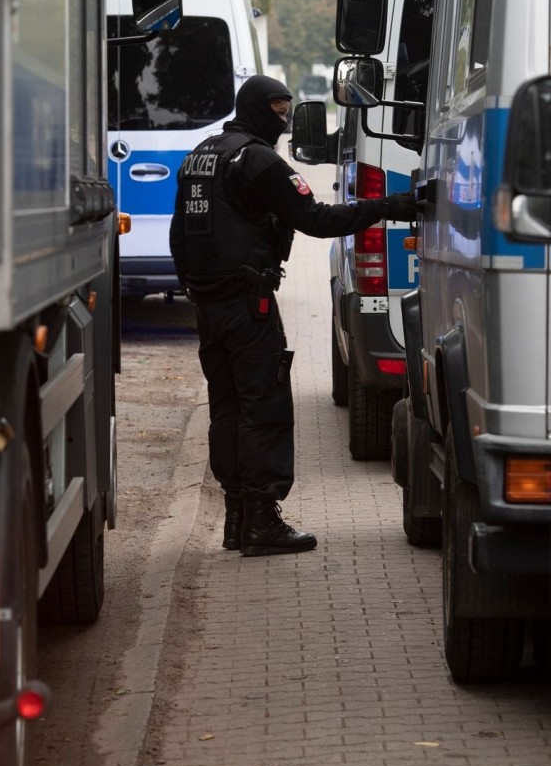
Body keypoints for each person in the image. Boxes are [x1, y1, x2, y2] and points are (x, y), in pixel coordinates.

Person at [169, 75, 417, 556]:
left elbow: (181, 232)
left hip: (211, 307)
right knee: (263, 408)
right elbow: (318, 220)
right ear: (258, 108)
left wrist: (194, 290)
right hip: (247, 304)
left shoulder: (201, 154)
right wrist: (394, 205)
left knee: (227, 410)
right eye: (278, 108)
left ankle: (237, 519)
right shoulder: (258, 160)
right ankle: (261, 521)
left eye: (288, 108)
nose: (283, 118)